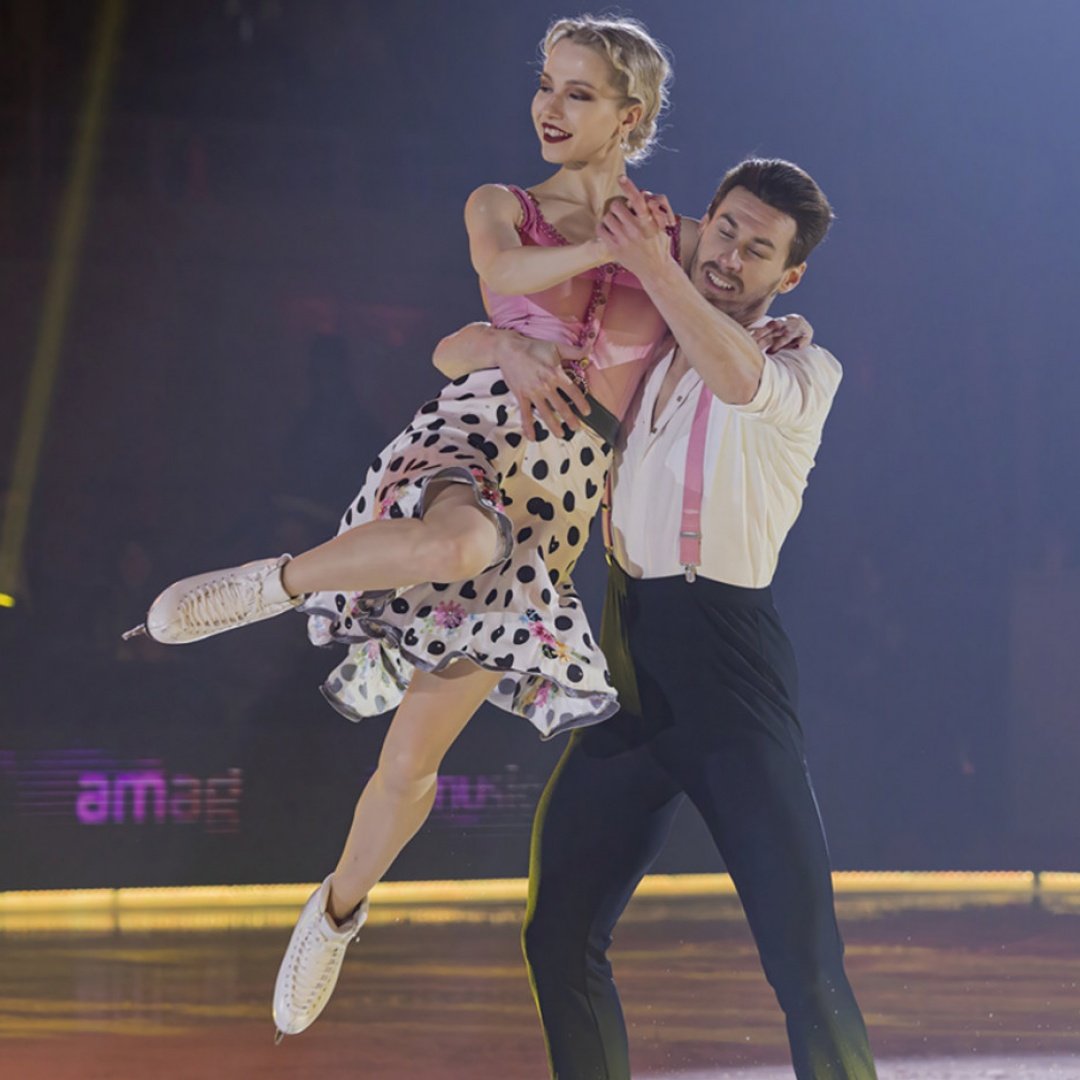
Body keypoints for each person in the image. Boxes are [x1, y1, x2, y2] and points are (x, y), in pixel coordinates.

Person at [125, 15, 689, 1043]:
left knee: (412, 763)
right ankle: (271, 584)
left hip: (560, 501)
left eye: (577, 93)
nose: (549, 107)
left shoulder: (669, 241)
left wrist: (770, 328)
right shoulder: (503, 203)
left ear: (630, 116)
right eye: (545, 84)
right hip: (475, 436)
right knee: (459, 543)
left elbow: (716, 325)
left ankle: (335, 912)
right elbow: (500, 283)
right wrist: (504, 337)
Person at [435, 159, 878, 1078]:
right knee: (557, 933)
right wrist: (506, 346)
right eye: (726, 230)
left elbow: (738, 375)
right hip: (626, 666)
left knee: (803, 962)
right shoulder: (650, 342)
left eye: (759, 250)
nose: (730, 256)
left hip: (728, 678)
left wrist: (657, 265)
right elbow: (477, 341)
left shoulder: (803, 368)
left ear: (791, 275)